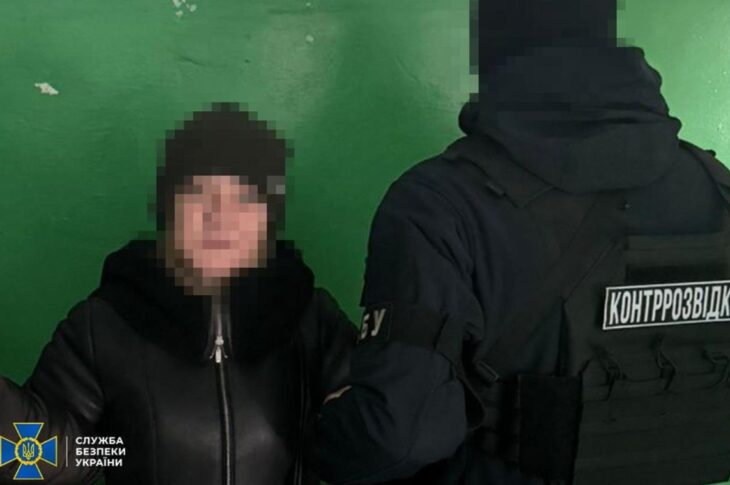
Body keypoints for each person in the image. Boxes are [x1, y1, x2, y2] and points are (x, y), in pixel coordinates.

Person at [316, 1, 730, 484]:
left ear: (491, 42)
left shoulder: (437, 202)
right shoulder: (717, 187)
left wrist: (317, 431)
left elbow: (399, 436)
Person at [0, 103, 356, 485]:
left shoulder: (312, 319)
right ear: (168, 208)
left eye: (243, 197)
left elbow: (366, 442)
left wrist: (360, 421)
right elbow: (50, 452)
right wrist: (118, 449)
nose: (219, 216)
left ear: (269, 217)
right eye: (198, 192)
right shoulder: (103, 324)